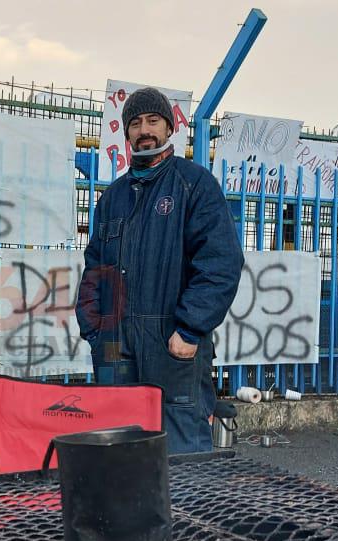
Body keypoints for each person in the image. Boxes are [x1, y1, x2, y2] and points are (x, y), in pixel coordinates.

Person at [75, 87, 243, 453]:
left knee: (181, 453)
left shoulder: (194, 185)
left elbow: (220, 263)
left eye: (153, 121)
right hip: (116, 346)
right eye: (134, 123)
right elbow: (94, 269)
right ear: (126, 133)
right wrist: (95, 330)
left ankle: (189, 513)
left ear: (169, 128)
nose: (144, 130)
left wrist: (190, 327)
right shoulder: (113, 196)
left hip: (173, 346)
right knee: (119, 450)